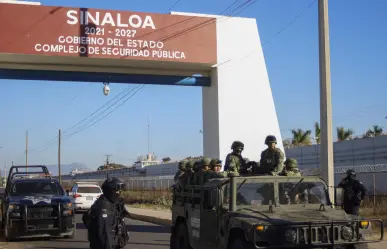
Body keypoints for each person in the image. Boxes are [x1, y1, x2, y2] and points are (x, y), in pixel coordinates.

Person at [86, 177, 125, 249]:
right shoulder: (104, 207)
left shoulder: (109, 203)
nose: (119, 193)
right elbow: (104, 234)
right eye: (118, 191)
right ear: (111, 191)